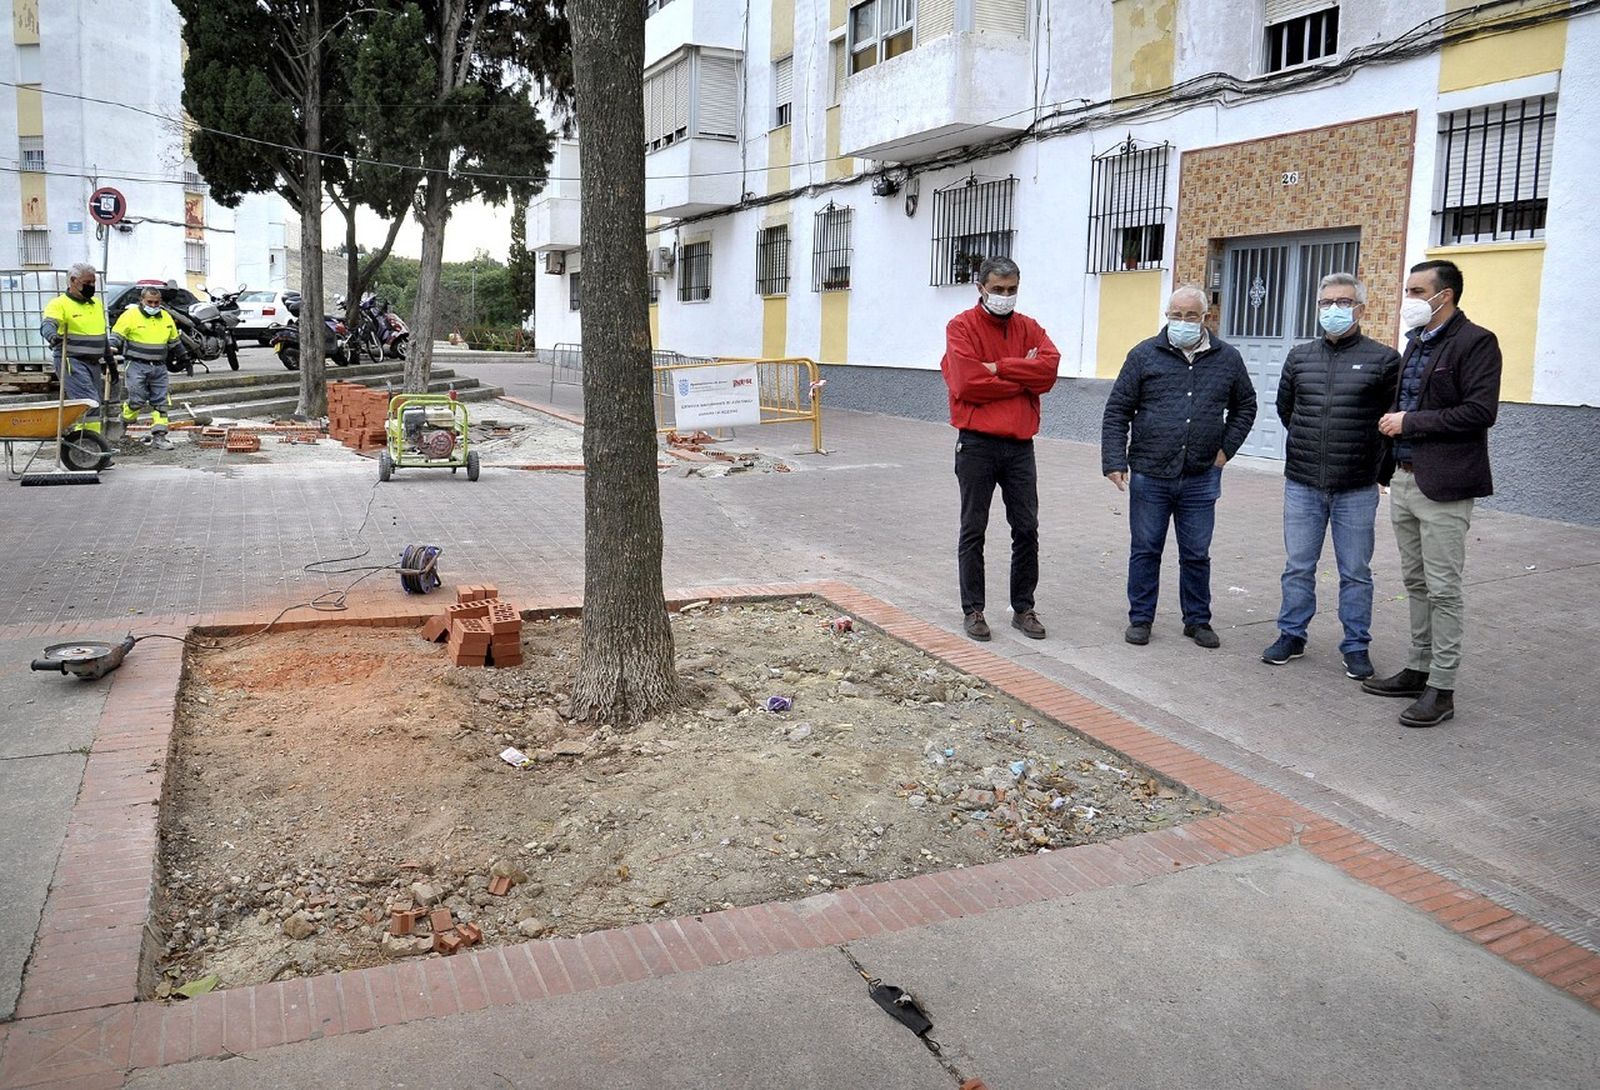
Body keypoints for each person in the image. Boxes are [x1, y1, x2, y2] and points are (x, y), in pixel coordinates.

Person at [1363, 259, 1501, 728]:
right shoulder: (1415, 343)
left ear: (1446, 295)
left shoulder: (1476, 342)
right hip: (1403, 478)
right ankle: (1418, 669)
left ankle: (1442, 688)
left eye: (1418, 292)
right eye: (1408, 291)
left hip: (1443, 484)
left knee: (1443, 589)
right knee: (1416, 584)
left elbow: (1480, 412)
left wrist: (1409, 422)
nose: (1410, 301)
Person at [1101, 284, 1256, 649]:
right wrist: (1113, 460)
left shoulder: (1227, 358)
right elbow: (1117, 410)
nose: (1182, 322)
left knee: (1197, 553)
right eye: (1175, 315)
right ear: (1167, 315)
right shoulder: (1143, 355)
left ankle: (1198, 620)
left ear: (1205, 318)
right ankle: (1140, 618)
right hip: (1150, 472)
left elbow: (1245, 406)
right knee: (1145, 549)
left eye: (1190, 316)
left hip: (1201, 474)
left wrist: (1225, 451)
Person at [1263, 273, 1401, 680]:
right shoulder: (1300, 357)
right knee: (1298, 566)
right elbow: (1287, 411)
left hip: (1356, 485)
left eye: (1342, 302)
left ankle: (1356, 645)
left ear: (1360, 308)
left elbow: (1388, 422)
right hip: (1303, 482)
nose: (1333, 310)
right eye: (1326, 303)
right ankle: (1292, 634)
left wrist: (1379, 470)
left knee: (1356, 572)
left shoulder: (1384, 359)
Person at [939, 256, 1061, 642]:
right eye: (998, 290)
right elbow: (967, 383)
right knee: (973, 528)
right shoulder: (961, 327)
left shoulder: (1029, 327)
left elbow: (1049, 372)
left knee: (1026, 528)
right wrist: (1021, 375)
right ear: (981, 288)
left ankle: (1023, 608)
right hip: (977, 444)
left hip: (1020, 446)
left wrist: (998, 367)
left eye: (1011, 290)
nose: (1005, 297)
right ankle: (973, 610)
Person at [39, 263, 115, 443]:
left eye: (93, 282)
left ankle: (92, 443)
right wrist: (52, 336)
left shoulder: (95, 304)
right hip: (71, 360)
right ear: (73, 281)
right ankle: (85, 444)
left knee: (93, 405)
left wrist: (110, 362)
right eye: (87, 282)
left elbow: (101, 335)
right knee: (88, 401)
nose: (91, 286)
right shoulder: (59, 304)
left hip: (93, 362)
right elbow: (48, 324)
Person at [109, 286, 187, 451]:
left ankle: (159, 437)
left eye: (156, 302)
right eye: (149, 302)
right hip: (136, 364)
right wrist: (112, 346)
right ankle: (124, 421)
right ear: (141, 301)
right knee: (137, 399)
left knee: (161, 402)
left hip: (159, 367)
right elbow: (117, 334)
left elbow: (174, 340)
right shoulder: (130, 315)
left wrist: (184, 357)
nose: (153, 305)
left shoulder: (165, 317)